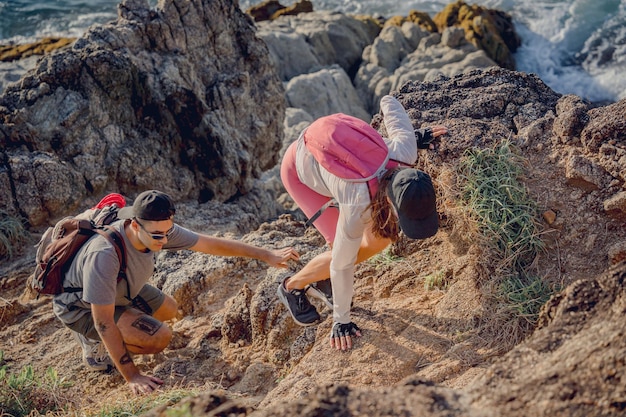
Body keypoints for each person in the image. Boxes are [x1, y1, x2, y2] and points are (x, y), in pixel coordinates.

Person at [52, 190, 300, 395]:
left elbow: (210, 244)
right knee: (159, 337)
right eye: (158, 235)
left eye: (168, 232)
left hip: (122, 290)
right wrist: (133, 376)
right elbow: (103, 322)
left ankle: (128, 323)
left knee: (171, 310)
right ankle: (92, 344)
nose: (164, 240)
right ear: (135, 225)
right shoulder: (104, 255)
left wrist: (266, 254)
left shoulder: (158, 230)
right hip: (82, 307)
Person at [277, 94, 448, 351]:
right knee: (347, 251)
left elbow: (389, 101)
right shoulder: (357, 202)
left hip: (335, 148)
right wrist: (341, 321)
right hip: (301, 171)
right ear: (390, 202)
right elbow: (342, 264)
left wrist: (415, 136)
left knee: (377, 239)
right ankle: (293, 286)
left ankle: (321, 280)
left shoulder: (405, 150)